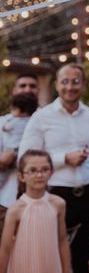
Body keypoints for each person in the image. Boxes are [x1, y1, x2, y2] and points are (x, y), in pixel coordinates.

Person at [18, 63, 89, 273]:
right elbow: (25, 157)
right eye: (65, 81)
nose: (70, 86)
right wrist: (62, 159)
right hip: (54, 195)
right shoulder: (41, 117)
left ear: (83, 85)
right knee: (52, 260)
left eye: (76, 81)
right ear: (57, 85)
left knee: (85, 262)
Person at [0, 149, 72, 273]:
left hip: (50, 268)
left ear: (51, 172)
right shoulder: (15, 210)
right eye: (32, 170)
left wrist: (66, 272)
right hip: (23, 271)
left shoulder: (58, 204)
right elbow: (5, 249)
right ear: (21, 176)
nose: (39, 175)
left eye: (45, 169)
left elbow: (62, 240)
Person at [0, 90, 39, 232]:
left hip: (29, 201)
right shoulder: (5, 121)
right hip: (5, 200)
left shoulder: (11, 122)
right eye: (23, 85)